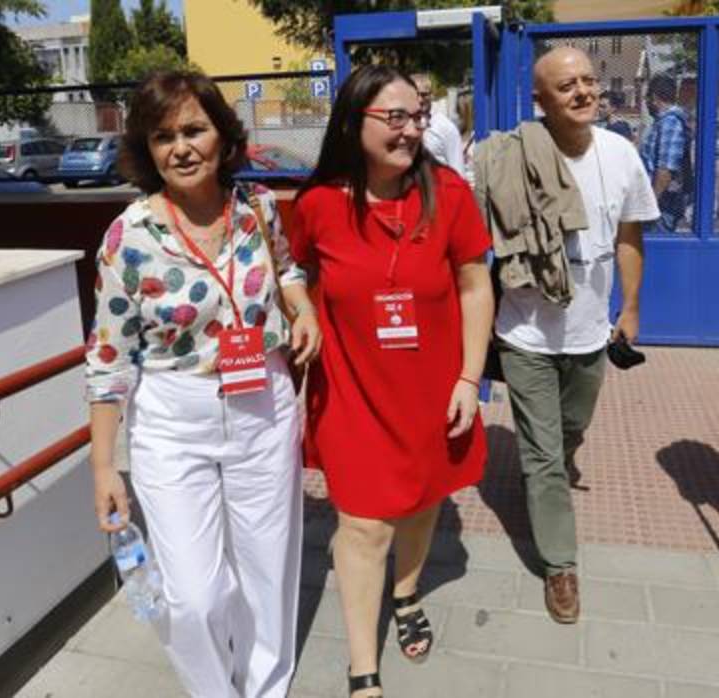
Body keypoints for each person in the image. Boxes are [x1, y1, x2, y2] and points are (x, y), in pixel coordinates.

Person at [85, 70, 320, 697]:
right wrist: (106, 467)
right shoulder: (128, 237)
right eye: (163, 137)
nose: (181, 147)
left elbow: (288, 265)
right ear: (146, 149)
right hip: (172, 416)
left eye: (194, 129)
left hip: (261, 406)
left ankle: (266, 687)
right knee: (194, 595)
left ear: (223, 136)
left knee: (267, 572)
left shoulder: (257, 207)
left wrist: (303, 306)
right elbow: (108, 357)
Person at [289, 65, 494, 698]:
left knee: (423, 499)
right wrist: (300, 308)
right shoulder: (318, 203)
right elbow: (293, 269)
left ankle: (405, 594)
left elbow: (475, 284)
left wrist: (469, 376)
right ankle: (363, 669)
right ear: (354, 122)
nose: (411, 130)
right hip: (351, 390)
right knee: (365, 525)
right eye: (395, 118)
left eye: (418, 116)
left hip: (432, 386)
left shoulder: (449, 194)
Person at [476, 46, 659, 624]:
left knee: (570, 430)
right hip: (525, 330)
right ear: (540, 100)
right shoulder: (507, 158)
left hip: (589, 331)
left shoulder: (622, 153)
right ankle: (560, 564)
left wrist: (628, 307)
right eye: (565, 86)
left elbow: (630, 236)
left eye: (587, 81)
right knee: (543, 456)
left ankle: (551, 469)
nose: (582, 92)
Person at [639, 74, 692, 233]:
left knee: (655, 251)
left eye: (647, 98)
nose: (646, 103)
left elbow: (665, 170)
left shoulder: (671, 123)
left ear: (654, 97)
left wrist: (650, 206)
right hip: (658, 203)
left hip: (662, 206)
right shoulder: (662, 122)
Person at [411, 72, 465, 175]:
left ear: (431, 95)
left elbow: (458, 171)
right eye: (415, 94)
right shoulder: (404, 126)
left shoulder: (446, 127)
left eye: (424, 95)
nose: (419, 99)